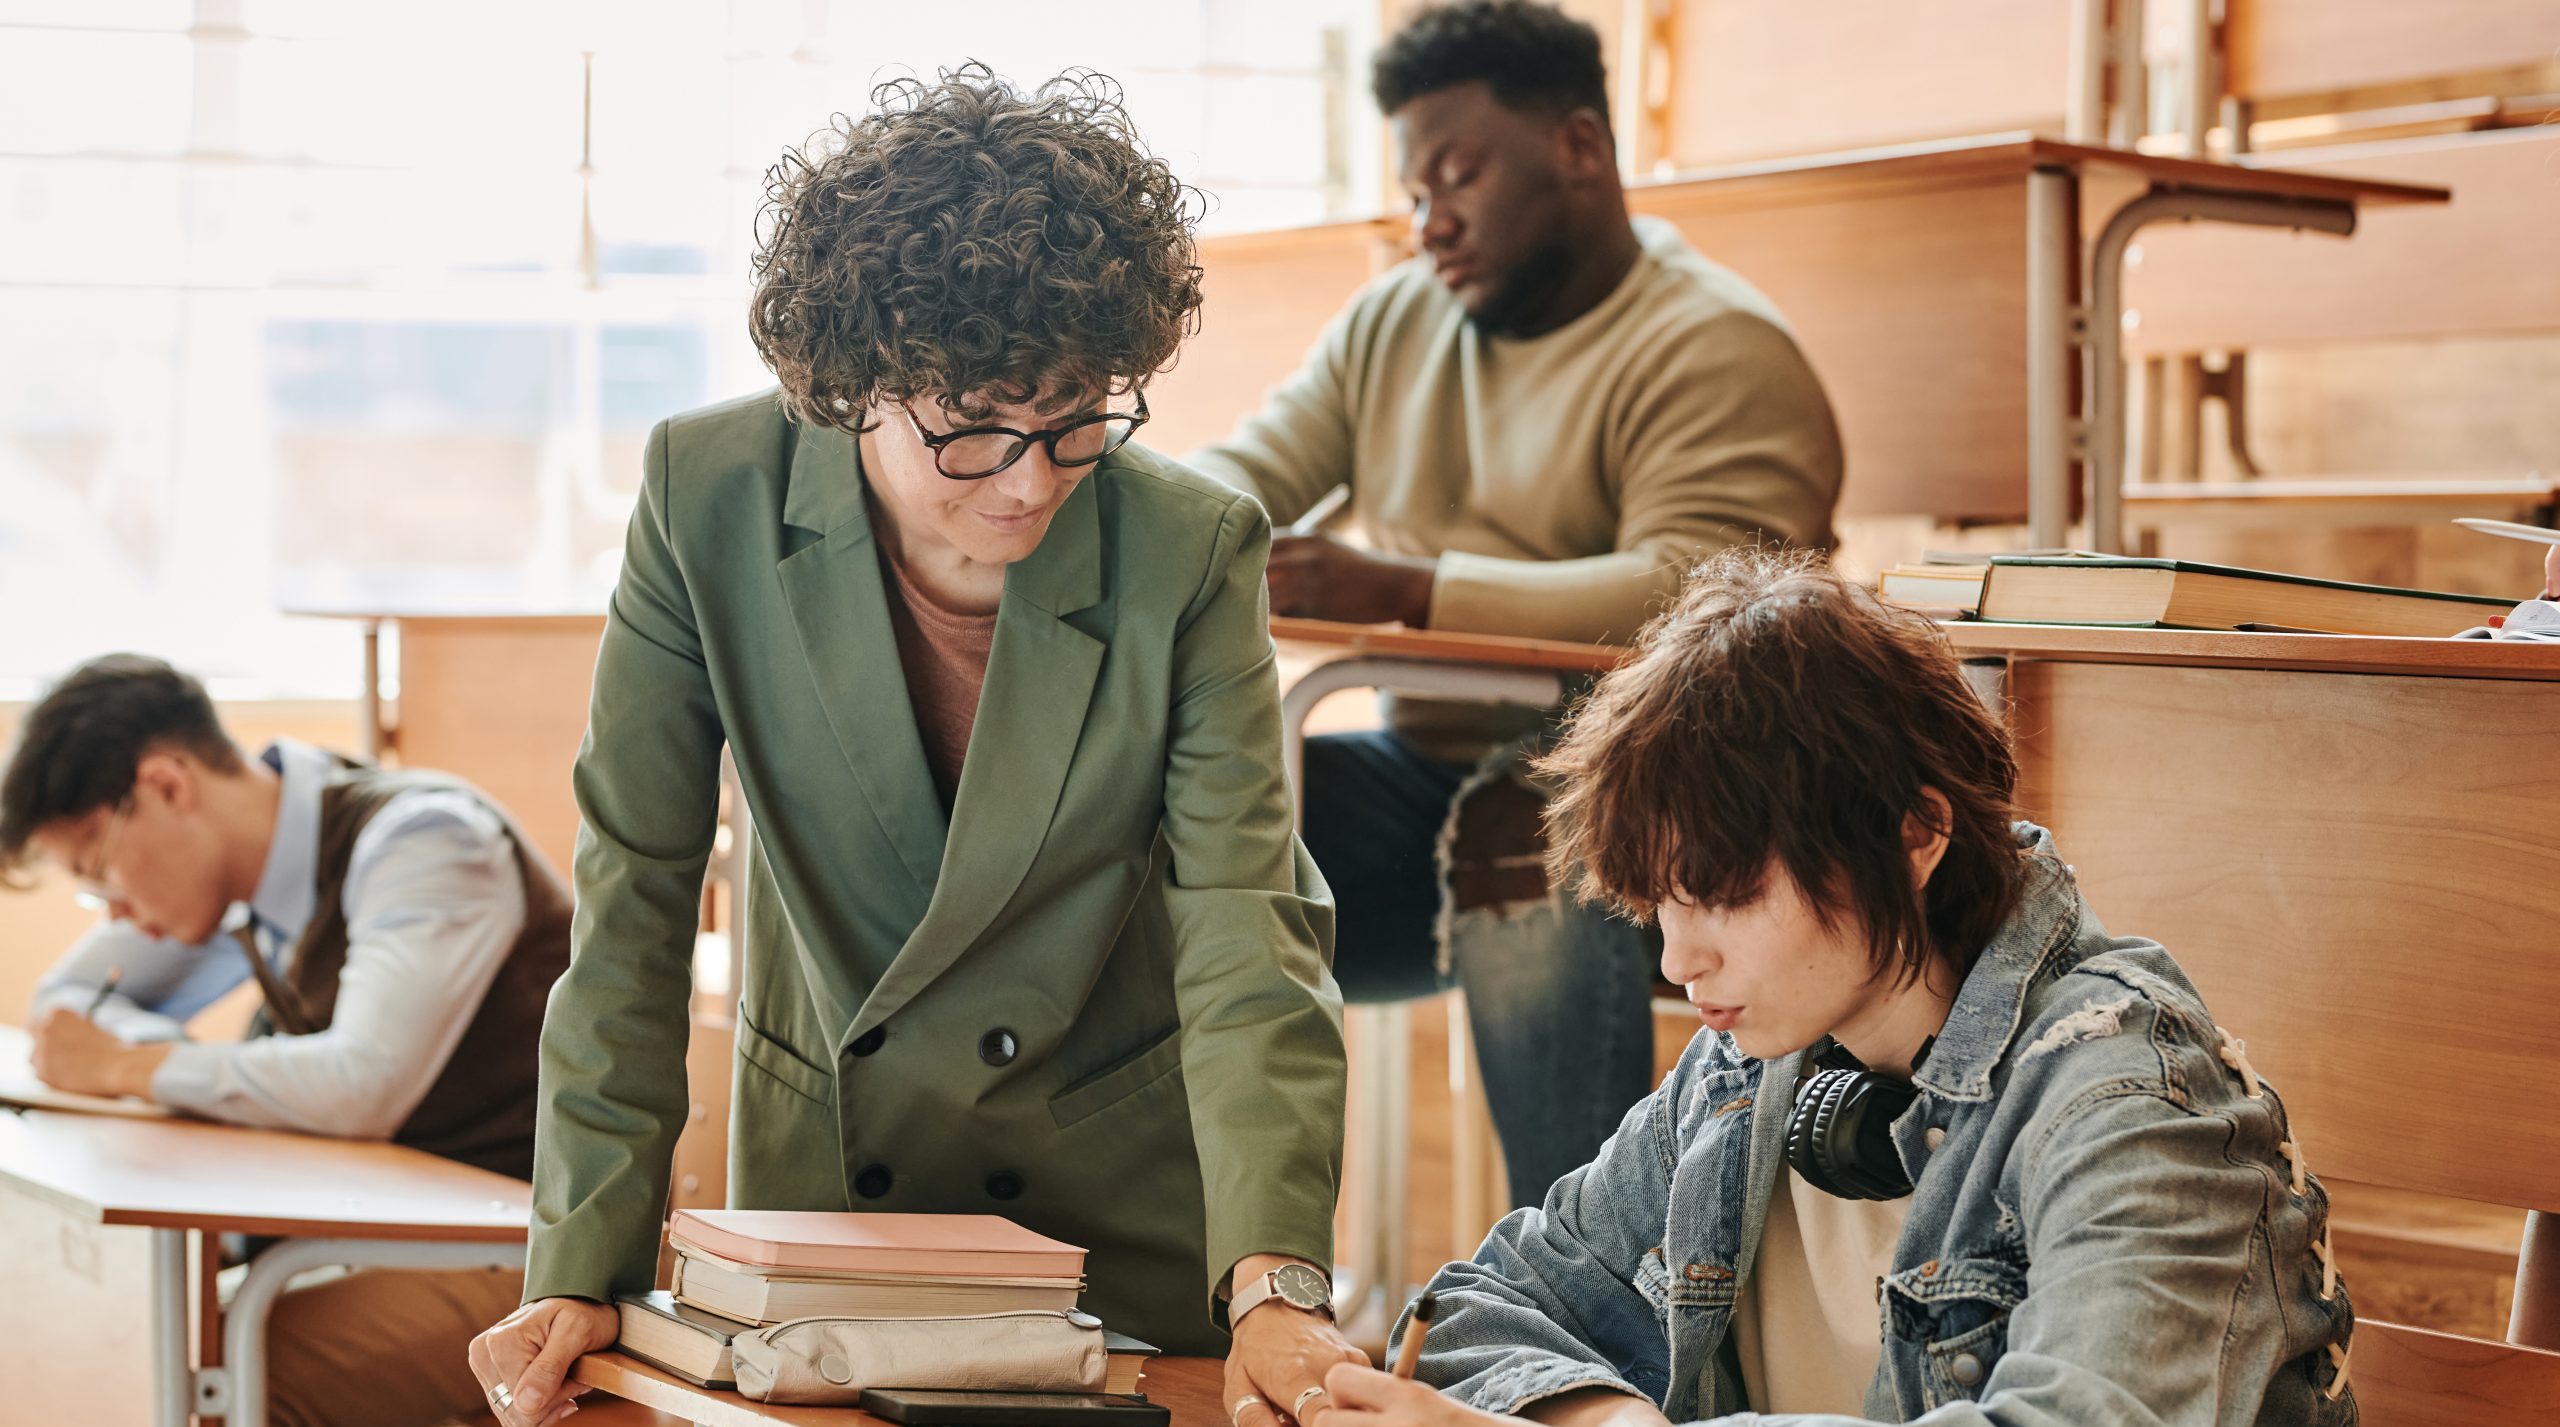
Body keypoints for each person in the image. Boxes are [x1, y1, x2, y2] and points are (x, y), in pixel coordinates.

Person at [467, 66, 1359, 1427]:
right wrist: (580, 1263)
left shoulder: (1190, 548)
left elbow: (1249, 924)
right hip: (822, 1227)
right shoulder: (704, 499)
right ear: (848, 386)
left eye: (1074, 418)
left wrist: (1279, 1280)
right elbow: (634, 898)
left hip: (1111, 1221)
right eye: (972, 426)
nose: (1029, 479)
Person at [1312, 547, 2355, 1426]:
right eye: (1660, 902)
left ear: (1914, 835)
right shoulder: (1743, 1064)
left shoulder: (2137, 1104)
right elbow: (1481, 1304)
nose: (1679, 961)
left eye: (1724, 893)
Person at [1185, 0, 1844, 1208]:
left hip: (1669, 804)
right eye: (1414, 189)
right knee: (1184, 812)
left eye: (1458, 176)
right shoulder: (1396, 319)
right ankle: (1189, 1262)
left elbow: (1708, 590)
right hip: (1427, 782)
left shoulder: (1716, 345)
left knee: (1520, 830)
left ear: (1579, 148)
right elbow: (1241, 471)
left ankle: (1583, 1301)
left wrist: (1410, 590)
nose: (1429, 221)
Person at [0, 653, 568, 1427]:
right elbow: (67, 1003)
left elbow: (359, 1082)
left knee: (202, 1382)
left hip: (523, 1255)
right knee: (109, 1335)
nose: (116, 916)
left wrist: (130, 1065)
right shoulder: (235, 883)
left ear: (166, 786)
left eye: (101, 871)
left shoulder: (424, 841)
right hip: (369, 1224)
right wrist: (140, 1055)